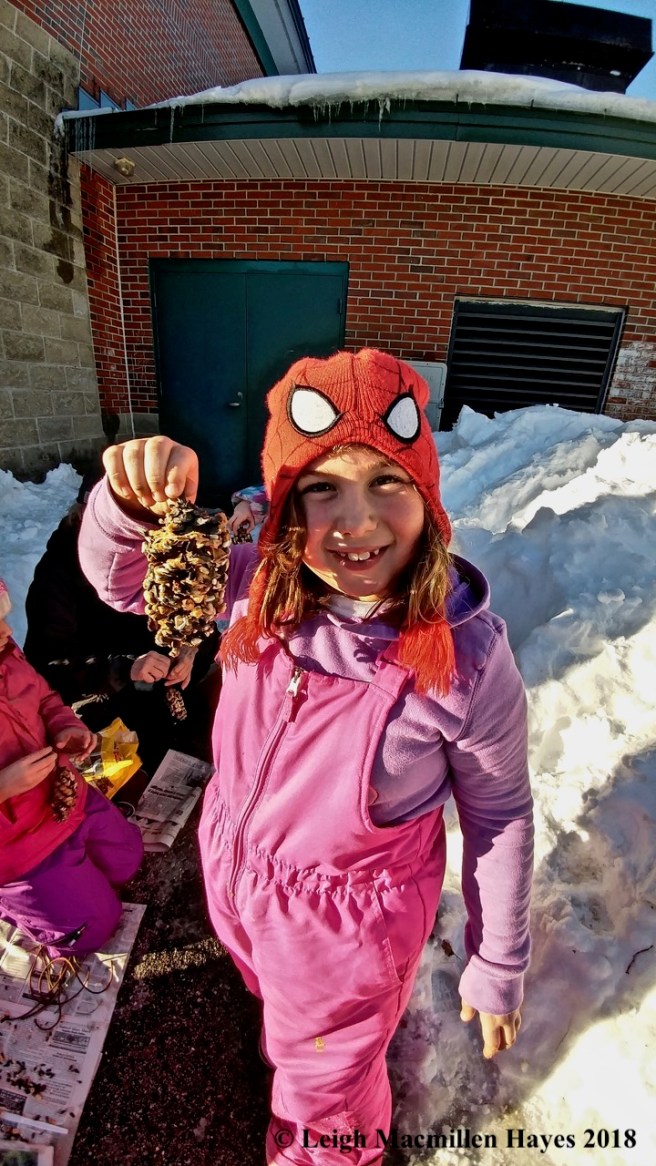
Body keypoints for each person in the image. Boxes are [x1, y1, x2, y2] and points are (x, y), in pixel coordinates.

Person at [79, 349, 533, 1165]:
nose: (355, 521)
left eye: (386, 483)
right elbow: (123, 582)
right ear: (287, 508)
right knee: (287, 1027)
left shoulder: (464, 659)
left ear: (427, 499)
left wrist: (498, 959)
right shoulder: (256, 591)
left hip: (351, 930)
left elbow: (500, 814)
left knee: (328, 1100)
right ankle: (295, 1053)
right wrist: (128, 500)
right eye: (322, 487)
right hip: (238, 880)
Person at [23, 470, 220, 774]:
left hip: (161, 694)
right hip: (100, 699)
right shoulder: (58, 574)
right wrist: (124, 668)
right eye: (120, 531)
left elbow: (196, 620)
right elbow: (48, 668)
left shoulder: (161, 555)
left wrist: (191, 649)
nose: (134, 546)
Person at [0, 577, 143, 964]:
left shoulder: (4, 654)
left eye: (4, 617)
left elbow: (45, 698)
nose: (9, 632)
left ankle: (72, 884)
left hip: (66, 795)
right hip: (17, 847)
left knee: (129, 858)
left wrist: (67, 727)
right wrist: (4, 787)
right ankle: (17, 904)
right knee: (92, 930)